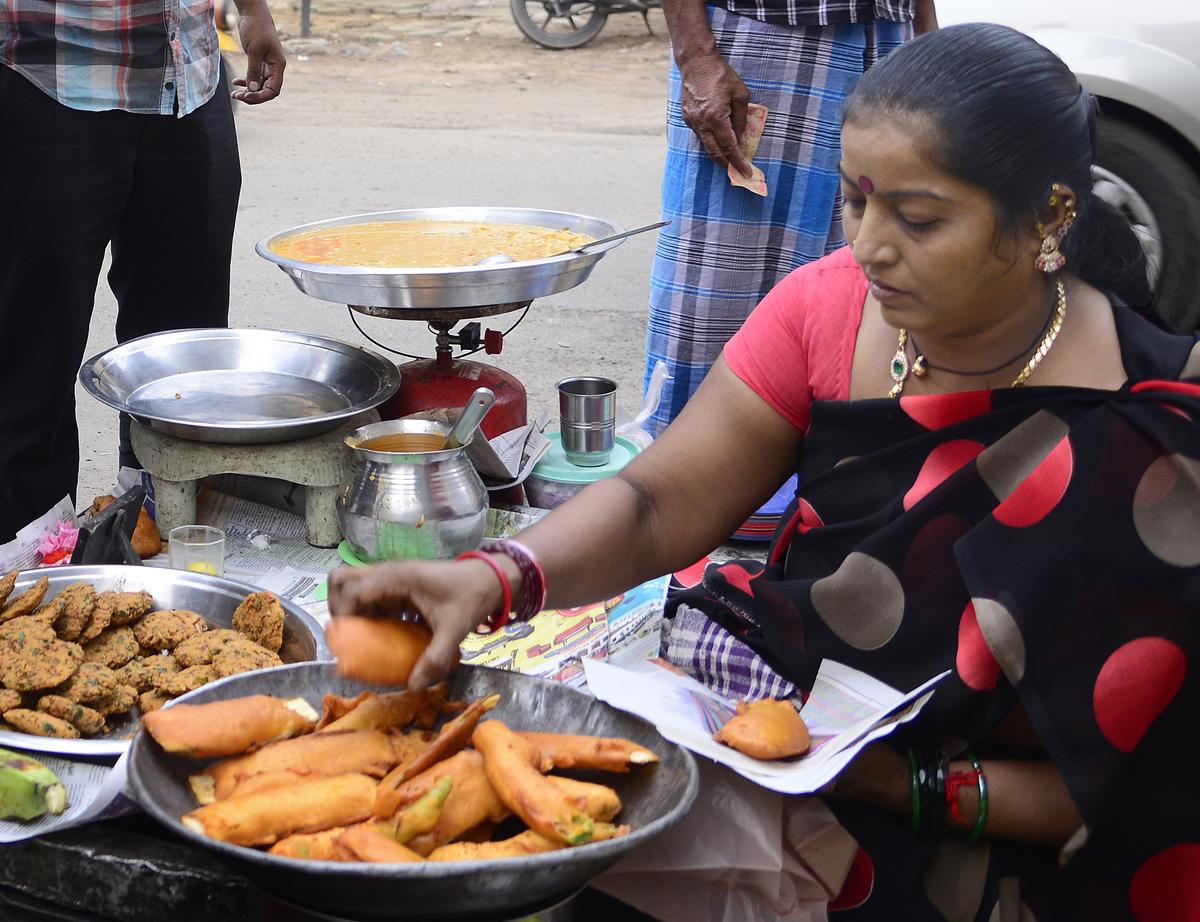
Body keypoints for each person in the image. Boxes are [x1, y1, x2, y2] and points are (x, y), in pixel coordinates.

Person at [330, 25, 1200, 920]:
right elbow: (655, 502)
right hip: (805, 761)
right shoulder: (827, 307)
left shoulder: (1157, 425)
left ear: (1050, 217)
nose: (869, 248)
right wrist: (491, 579)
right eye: (857, 201)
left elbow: (1150, 773)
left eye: (920, 218)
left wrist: (904, 785)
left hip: (1034, 832)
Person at [0, 0, 285, 541]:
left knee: (184, 350)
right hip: (47, 71)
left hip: (189, 78)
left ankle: (156, 520)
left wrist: (252, 13)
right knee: (31, 350)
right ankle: (28, 562)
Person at [644, 0, 936, 435]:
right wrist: (698, 56)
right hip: (765, 36)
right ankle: (680, 483)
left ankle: (829, 484)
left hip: (892, 39)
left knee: (866, 292)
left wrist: (929, 45)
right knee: (718, 304)